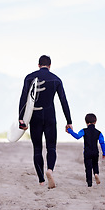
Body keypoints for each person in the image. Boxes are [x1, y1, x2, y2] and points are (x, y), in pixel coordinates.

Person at [18, 55, 73, 189]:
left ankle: (41, 180)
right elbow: (63, 101)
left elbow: (24, 99)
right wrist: (69, 121)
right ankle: (50, 170)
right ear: (49, 66)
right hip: (50, 116)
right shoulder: (56, 79)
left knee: (37, 148)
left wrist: (21, 119)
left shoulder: (29, 77)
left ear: (38, 65)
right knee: (51, 147)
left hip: (35, 117)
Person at [67, 113, 105, 187]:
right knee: (95, 164)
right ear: (95, 122)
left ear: (85, 122)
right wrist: (104, 153)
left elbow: (77, 136)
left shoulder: (84, 131)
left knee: (88, 167)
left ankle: (89, 183)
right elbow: (102, 143)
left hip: (87, 152)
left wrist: (69, 130)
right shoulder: (99, 132)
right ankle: (96, 174)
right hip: (95, 152)